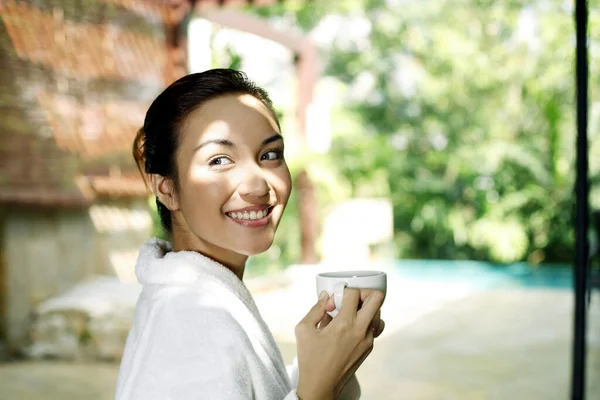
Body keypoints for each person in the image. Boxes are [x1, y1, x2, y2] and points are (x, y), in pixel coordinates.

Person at [115, 69, 385, 400]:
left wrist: (331, 361)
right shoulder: (190, 321)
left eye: (269, 155)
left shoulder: (203, 298)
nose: (258, 185)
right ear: (167, 189)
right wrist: (317, 391)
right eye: (219, 160)